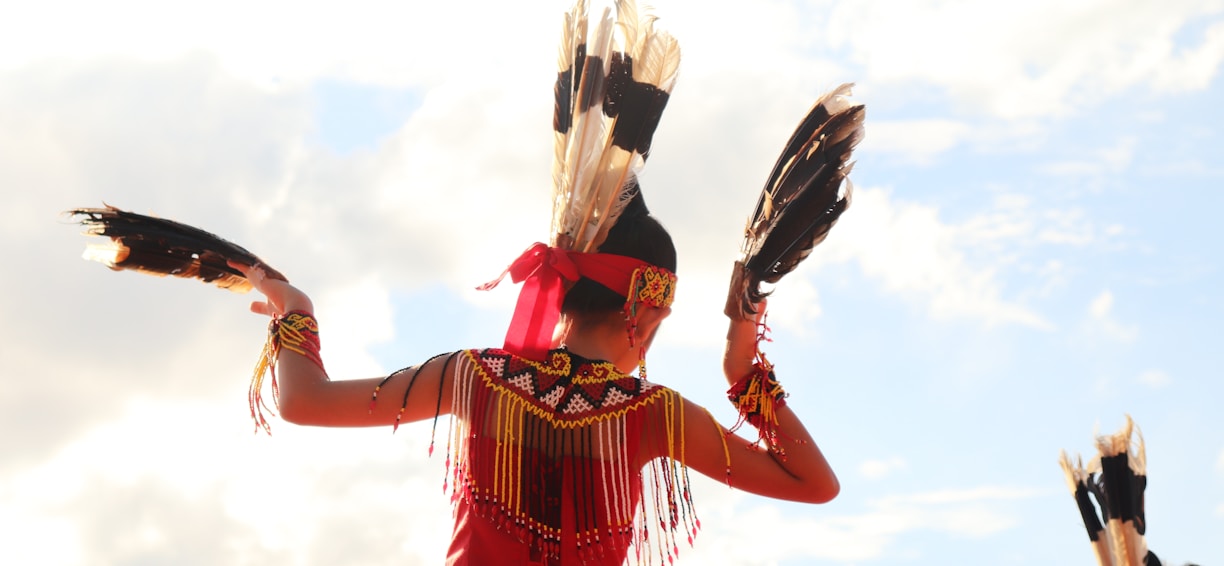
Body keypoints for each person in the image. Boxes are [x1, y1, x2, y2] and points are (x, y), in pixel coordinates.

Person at [230, 192, 839, 565]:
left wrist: (297, 315)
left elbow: (303, 401)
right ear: (645, 311)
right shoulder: (653, 413)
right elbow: (815, 484)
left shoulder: (472, 375)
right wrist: (741, 371)